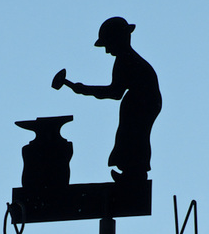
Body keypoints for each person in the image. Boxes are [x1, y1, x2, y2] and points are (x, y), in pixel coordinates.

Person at [68, 17, 162, 182]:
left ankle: (134, 175)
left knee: (134, 136)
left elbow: (115, 92)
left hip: (142, 103)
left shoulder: (126, 60)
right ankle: (131, 173)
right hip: (141, 101)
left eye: (108, 45)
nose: (107, 51)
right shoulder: (125, 59)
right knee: (131, 136)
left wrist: (85, 90)